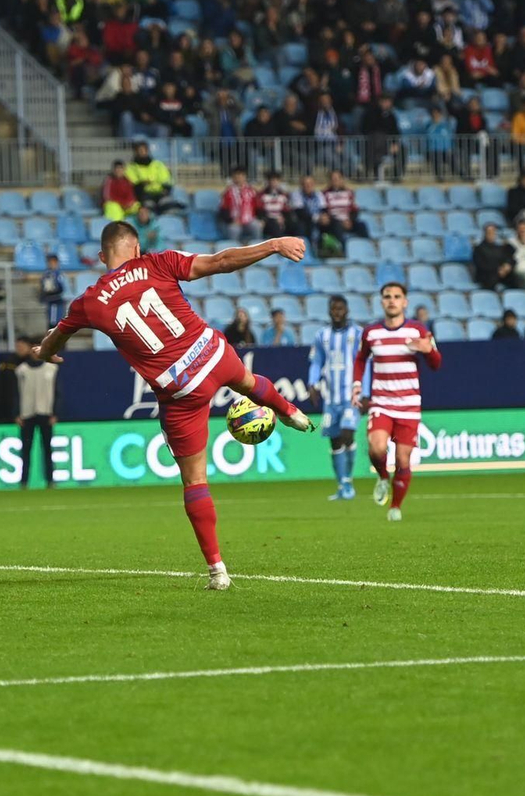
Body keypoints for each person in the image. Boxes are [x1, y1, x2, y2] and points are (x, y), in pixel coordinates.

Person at [32, 225, 314, 590]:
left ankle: (218, 570)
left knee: (195, 480)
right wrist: (274, 244)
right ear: (136, 247)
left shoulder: (89, 302)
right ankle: (288, 410)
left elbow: (58, 335)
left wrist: (46, 352)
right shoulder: (158, 263)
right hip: (213, 355)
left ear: (103, 257)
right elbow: (222, 261)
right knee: (246, 381)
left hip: (180, 389)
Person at [354, 282, 440, 523]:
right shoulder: (371, 332)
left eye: (397, 296)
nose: (392, 300)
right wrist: (356, 386)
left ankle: (395, 507)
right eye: (387, 296)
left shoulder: (418, 331)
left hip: (409, 405)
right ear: (382, 301)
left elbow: (436, 364)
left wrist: (428, 350)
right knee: (377, 448)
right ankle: (382, 477)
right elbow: (360, 360)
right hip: (381, 402)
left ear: (405, 302)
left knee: (403, 459)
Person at [307, 294, 360, 500]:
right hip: (331, 397)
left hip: (351, 395)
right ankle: (341, 486)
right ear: (330, 311)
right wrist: (313, 383)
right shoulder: (322, 336)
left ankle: (348, 481)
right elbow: (316, 362)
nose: (337, 312)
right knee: (335, 441)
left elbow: (364, 362)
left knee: (348, 433)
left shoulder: (357, 334)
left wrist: (364, 392)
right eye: (333, 309)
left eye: (340, 309)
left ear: (346, 311)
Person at [14, 338, 59, 489]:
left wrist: (56, 413)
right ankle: (24, 481)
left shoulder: (51, 368)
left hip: (45, 413)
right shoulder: (21, 370)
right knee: (26, 450)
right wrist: (16, 414)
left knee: (47, 449)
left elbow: (58, 392)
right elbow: (15, 393)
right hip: (27, 414)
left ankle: (50, 480)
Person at [218, 167, 259, 242]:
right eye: (236, 177)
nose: (238, 179)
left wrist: (262, 219)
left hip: (249, 220)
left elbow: (258, 206)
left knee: (257, 225)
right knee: (234, 229)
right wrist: (231, 220)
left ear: (245, 177)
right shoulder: (228, 192)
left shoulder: (252, 191)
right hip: (234, 221)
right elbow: (223, 210)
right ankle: (233, 249)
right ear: (233, 178)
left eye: (241, 176)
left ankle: (257, 248)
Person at [471, 223, 515, 291]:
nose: (491, 234)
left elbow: (507, 258)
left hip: (500, 273)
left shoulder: (499, 248)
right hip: (486, 275)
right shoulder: (479, 249)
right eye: (489, 232)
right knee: (491, 279)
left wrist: (507, 266)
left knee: (514, 278)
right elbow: (481, 265)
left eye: (493, 232)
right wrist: (498, 269)